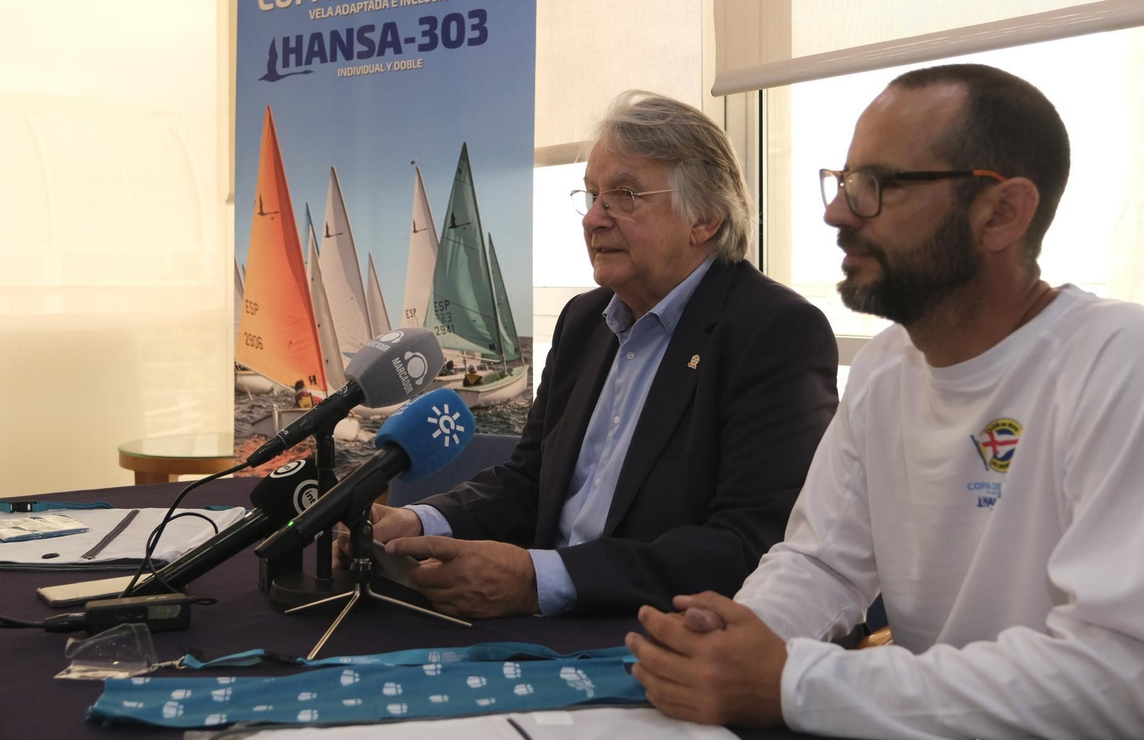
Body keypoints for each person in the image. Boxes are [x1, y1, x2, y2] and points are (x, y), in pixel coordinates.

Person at [626, 64, 1144, 739]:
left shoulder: (1128, 361)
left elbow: (1121, 680)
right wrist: (736, 637)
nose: (837, 211)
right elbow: (821, 562)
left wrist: (792, 680)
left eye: (878, 186)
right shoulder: (886, 370)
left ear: (1002, 212)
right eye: (845, 181)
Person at [350, 90, 839, 619]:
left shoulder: (774, 332)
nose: (593, 220)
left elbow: (751, 547)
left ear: (706, 220)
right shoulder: (585, 321)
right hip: (534, 620)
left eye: (625, 195)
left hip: (647, 636)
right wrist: (421, 522)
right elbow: (529, 483)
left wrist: (537, 579)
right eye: (592, 196)